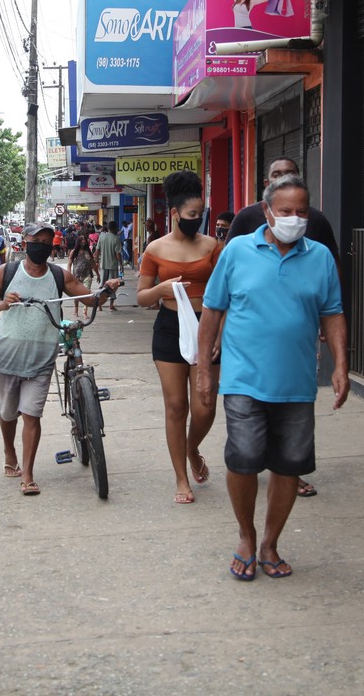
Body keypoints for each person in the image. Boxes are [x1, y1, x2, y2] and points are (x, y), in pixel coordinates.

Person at [195, 174, 349, 580]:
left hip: (297, 382)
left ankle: (269, 543)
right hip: (244, 378)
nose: (294, 219)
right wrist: (203, 370)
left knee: (289, 465)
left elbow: (332, 313)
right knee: (243, 459)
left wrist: (340, 366)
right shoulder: (237, 252)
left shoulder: (319, 258)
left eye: (302, 212)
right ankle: (245, 536)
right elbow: (212, 310)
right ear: (267, 211)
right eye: (285, 212)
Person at [0, 224, 121, 497]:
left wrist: (106, 290)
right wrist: (1, 304)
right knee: (8, 413)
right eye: (36, 240)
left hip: (42, 355)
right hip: (6, 354)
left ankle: (28, 474)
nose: (41, 245)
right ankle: (10, 452)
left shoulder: (58, 275)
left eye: (47, 241)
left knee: (32, 415)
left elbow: (89, 299)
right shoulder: (7, 272)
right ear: (25, 242)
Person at [226, 157, 339, 499]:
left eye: (289, 174)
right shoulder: (246, 221)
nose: (294, 219)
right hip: (248, 353)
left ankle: (291, 473)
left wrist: (328, 333)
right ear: (266, 186)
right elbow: (226, 283)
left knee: (290, 446)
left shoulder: (315, 223)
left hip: (297, 354)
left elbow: (330, 285)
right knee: (246, 448)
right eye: (277, 175)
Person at [136, 170, 221, 505]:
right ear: (174, 214)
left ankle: (192, 447)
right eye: (191, 215)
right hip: (170, 327)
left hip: (206, 327)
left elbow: (226, 294)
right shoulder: (155, 249)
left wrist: (220, 333)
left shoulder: (213, 246)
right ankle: (181, 478)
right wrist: (162, 288)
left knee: (205, 406)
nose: (196, 221)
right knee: (176, 406)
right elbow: (142, 297)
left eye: (201, 215)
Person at [67, 234, 100, 318]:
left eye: (85, 241)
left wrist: (98, 274)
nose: (83, 242)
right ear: (78, 242)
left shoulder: (88, 252)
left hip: (88, 275)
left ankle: (85, 311)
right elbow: (69, 263)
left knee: (87, 293)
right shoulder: (74, 252)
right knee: (76, 295)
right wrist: (69, 274)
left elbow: (93, 264)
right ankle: (76, 309)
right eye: (81, 241)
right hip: (76, 276)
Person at [95, 222, 122, 311]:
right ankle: (111, 305)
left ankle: (99, 305)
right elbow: (118, 254)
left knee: (102, 285)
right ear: (114, 228)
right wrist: (121, 264)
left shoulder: (101, 237)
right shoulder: (116, 239)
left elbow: (97, 250)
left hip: (103, 265)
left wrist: (96, 262)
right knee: (113, 285)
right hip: (113, 265)